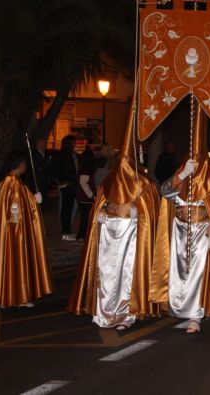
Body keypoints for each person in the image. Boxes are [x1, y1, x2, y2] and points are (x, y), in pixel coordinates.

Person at [67, 105, 161, 329]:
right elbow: (100, 206)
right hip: (109, 237)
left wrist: (139, 219)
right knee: (108, 275)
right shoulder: (108, 181)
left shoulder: (143, 183)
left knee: (126, 275)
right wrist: (99, 216)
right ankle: (105, 311)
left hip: (130, 237)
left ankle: (125, 314)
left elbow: (150, 214)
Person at [150, 106, 210, 334]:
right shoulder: (181, 174)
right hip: (178, 231)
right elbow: (166, 192)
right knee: (180, 273)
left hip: (200, 232)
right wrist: (183, 175)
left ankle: (196, 315)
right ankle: (184, 312)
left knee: (198, 274)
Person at [0, 151, 53, 308]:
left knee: (4, 262)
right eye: (24, 164)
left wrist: (30, 198)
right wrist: (34, 201)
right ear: (20, 165)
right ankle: (18, 297)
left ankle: (1, 296)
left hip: (4, 230)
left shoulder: (4, 183)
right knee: (16, 262)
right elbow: (16, 210)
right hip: (15, 231)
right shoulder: (15, 185)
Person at [54, 135, 78, 240]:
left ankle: (67, 230)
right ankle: (65, 232)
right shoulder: (64, 155)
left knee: (68, 208)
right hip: (67, 185)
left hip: (70, 184)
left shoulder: (70, 155)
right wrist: (66, 181)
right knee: (66, 209)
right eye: (73, 143)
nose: (75, 145)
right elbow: (61, 170)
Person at [75, 152, 96, 242]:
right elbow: (83, 184)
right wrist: (91, 195)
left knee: (85, 217)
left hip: (84, 198)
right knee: (85, 218)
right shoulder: (85, 171)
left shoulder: (84, 170)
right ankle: (81, 236)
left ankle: (82, 236)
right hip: (85, 199)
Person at [26, 137, 51, 206]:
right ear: (39, 145)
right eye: (44, 144)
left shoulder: (43, 154)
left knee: (41, 202)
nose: (45, 145)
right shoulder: (34, 155)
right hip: (37, 184)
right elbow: (38, 169)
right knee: (37, 203)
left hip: (42, 184)